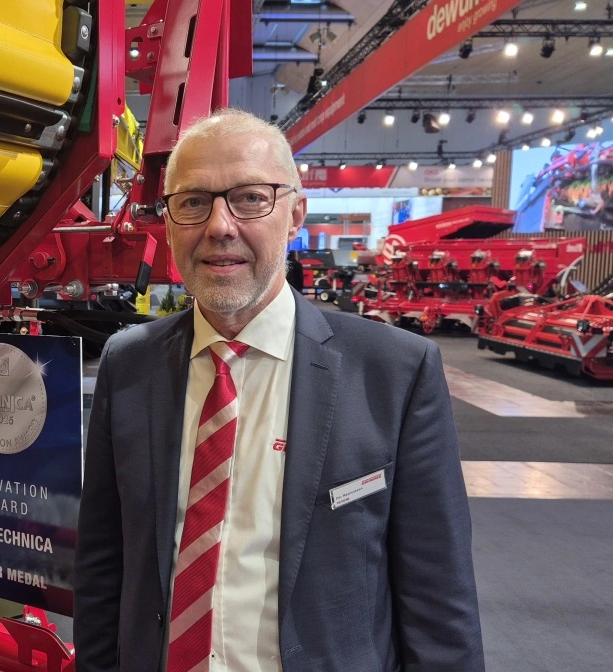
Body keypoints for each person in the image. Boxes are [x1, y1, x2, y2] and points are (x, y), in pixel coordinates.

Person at [74, 109, 484, 672]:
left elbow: (438, 597)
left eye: (249, 198)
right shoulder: (130, 364)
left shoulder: (395, 373)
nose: (219, 225)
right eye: (193, 202)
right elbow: (104, 562)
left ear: (295, 215)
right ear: (168, 224)